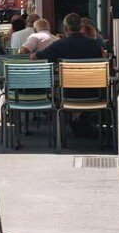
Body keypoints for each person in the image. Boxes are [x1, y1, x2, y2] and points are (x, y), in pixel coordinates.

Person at [34, 12, 106, 141]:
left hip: (67, 94)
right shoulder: (95, 44)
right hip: (95, 93)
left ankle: (74, 118)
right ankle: (79, 117)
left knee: (56, 90)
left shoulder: (59, 45)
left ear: (65, 28)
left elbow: (36, 57)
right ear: (81, 26)